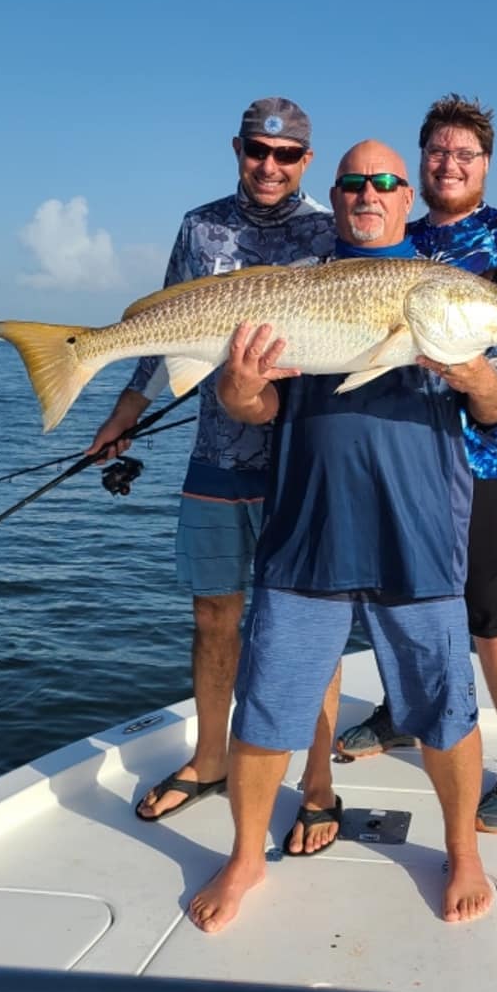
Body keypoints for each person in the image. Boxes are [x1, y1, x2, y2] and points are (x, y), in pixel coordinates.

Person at [189, 138, 497, 935]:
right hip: (307, 526)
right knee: (267, 704)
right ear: (335, 199)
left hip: (417, 534)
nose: (367, 193)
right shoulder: (297, 284)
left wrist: (472, 370)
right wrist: (238, 390)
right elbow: (261, 411)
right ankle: (243, 855)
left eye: (383, 182)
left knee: (445, 703)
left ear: (407, 198)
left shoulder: (442, 288)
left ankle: (463, 852)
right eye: (352, 184)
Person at [86, 97, 336, 820]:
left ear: (306, 161)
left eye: (286, 155)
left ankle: (317, 777)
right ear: (237, 147)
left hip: (299, 461)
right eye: (259, 149)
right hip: (214, 456)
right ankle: (211, 757)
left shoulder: (327, 232)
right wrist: (128, 406)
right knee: (214, 616)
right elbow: (163, 322)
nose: (270, 165)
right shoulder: (200, 226)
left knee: (307, 624)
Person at [336, 95, 497, 835]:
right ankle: (406, 711)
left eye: (465, 154)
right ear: (420, 164)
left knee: (496, 613)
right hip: (402, 454)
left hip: (483, 456)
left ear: (486, 165)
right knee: (398, 591)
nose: (450, 164)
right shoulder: (396, 236)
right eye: (438, 152)